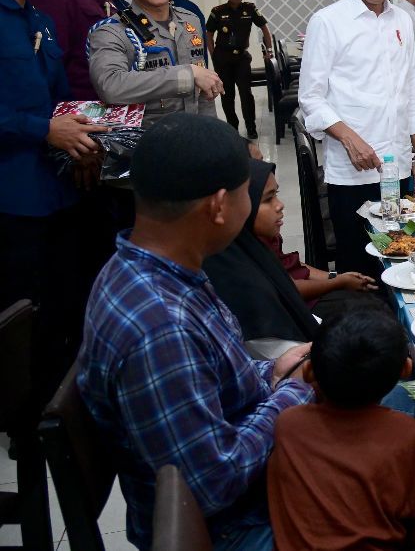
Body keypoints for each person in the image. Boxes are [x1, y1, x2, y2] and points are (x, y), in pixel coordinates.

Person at [77, 114, 312, 550]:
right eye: (248, 193)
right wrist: (292, 391)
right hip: (229, 528)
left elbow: (221, 377)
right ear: (219, 206)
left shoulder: (158, 266)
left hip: (238, 477)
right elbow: (212, 482)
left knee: (397, 401)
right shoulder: (159, 327)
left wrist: (274, 371)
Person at [0, 0, 109, 402]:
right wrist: (44, 129)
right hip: (14, 193)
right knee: (24, 303)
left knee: (68, 294)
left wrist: (85, 134)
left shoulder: (38, 18)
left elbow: (63, 93)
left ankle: (65, 396)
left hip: (61, 183)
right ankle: (26, 409)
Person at [298, 0, 415, 277]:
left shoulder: (402, 18)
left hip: (397, 165)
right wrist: (348, 137)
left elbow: (412, 88)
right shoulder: (328, 22)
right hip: (353, 170)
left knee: (402, 256)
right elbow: (310, 97)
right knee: (360, 265)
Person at [268, 309, 415, 551]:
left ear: (309, 371)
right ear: (406, 370)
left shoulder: (287, 422)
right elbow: (412, 522)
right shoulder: (405, 434)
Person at [204, 159, 378, 348]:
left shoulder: (259, 245)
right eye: (267, 199)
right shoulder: (242, 276)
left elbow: (295, 266)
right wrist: (337, 282)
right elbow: (289, 289)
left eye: (276, 195)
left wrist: (336, 277)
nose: (280, 205)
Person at [87, 0, 222, 123]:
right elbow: (111, 86)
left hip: (194, 141)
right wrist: (187, 75)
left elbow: (205, 95)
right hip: (148, 146)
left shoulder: (190, 21)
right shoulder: (112, 32)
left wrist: (212, 135)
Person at [207, 0, 273, 138]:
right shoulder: (217, 11)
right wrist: (213, 55)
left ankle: (251, 127)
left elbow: (264, 28)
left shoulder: (250, 9)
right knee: (227, 95)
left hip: (242, 58)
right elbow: (209, 33)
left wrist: (269, 49)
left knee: (246, 93)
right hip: (223, 58)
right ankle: (232, 128)